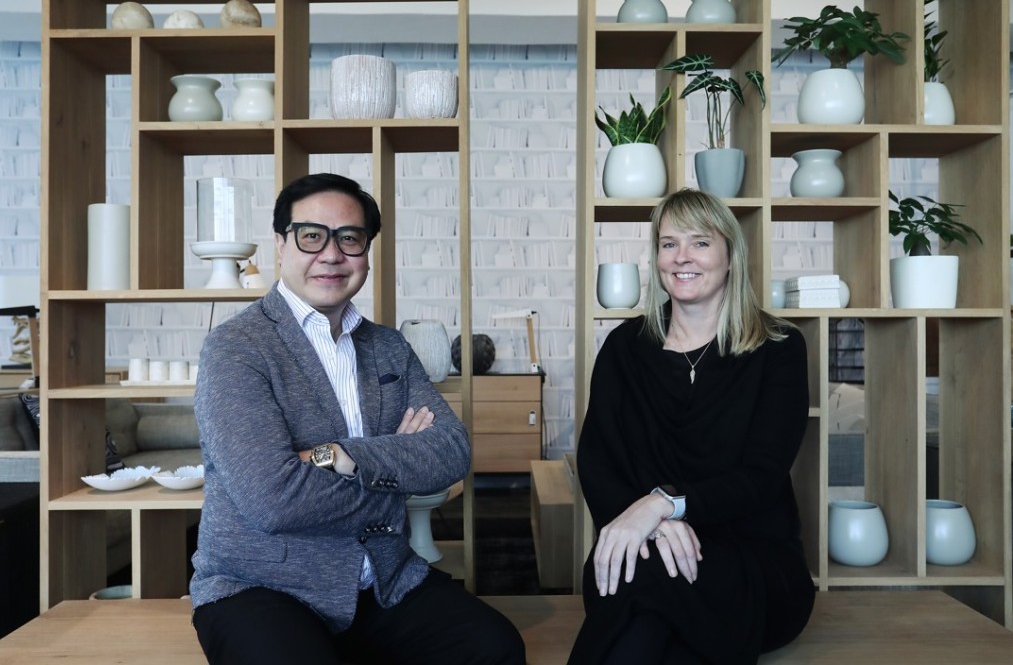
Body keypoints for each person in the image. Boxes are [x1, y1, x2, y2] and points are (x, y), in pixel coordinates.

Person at [189, 173, 526, 665]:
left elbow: (452, 451)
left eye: (350, 238)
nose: (331, 254)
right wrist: (396, 468)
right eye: (311, 236)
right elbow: (273, 499)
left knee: (495, 648)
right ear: (281, 246)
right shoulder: (236, 349)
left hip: (383, 579)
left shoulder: (388, 346)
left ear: (366, 251)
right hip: (263, 587)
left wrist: (341, 456)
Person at [568, 188, 816, 664]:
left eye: (700, 243)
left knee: (645, 605)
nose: (682, 257)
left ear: (729, 255)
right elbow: (598, 462)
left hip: (751, 561)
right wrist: (650, 525)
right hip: (638, 550)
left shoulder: (779, 349)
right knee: (649, 594)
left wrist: (665, 505)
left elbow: (762, 477)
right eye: (668, 244)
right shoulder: (625, 347)